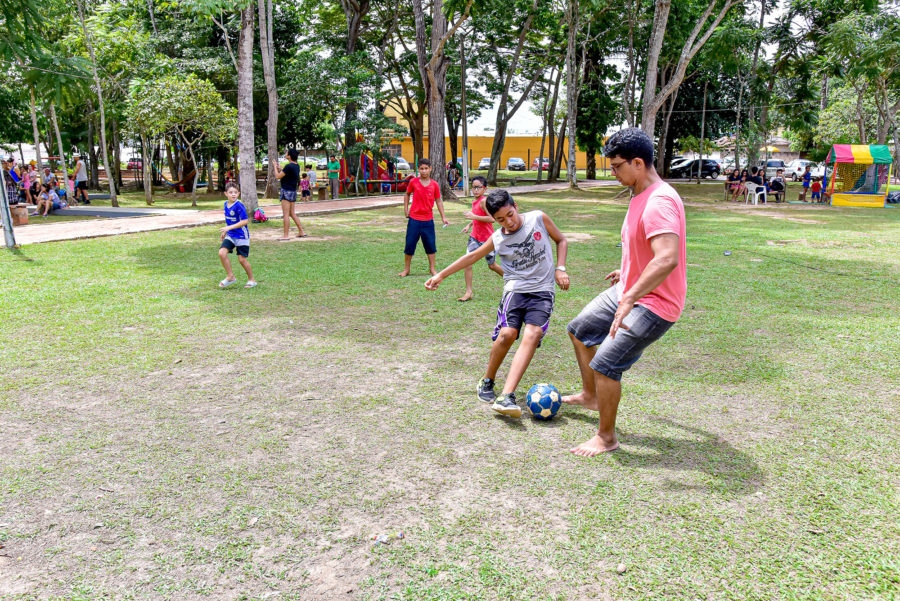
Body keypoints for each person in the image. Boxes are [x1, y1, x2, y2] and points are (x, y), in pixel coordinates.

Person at [564, 127, 686, 457]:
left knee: (606, 363)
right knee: (579, 330)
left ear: (638, 163)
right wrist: (628, 271)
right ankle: (590, 396)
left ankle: (606, 437)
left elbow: (667, 258)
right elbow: (645, 247)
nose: (614, 173)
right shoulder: (638, 193)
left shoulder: (659, 201)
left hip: (655, 303)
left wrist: (630, 297)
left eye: (617, 166)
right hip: (628, 288)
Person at [424, 189, 569, 417]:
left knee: (532, 334)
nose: (508, 222)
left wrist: (560, 268)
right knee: (507, 335)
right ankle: (487, 380)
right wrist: (441, 275)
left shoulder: (538, 219)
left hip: (542, 291)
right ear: (493, 219)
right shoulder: (498, 238)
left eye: (510, 214)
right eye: (501, 219)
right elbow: (472, 256)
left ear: (516, 206)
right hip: (515, 291)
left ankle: (507, 395)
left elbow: (561, 240)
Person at [399, 158, 449, 277]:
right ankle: (406, 269)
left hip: (428, 221)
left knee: (430, 245)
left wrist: (443, 217)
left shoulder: (434, 184)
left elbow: (438, 201)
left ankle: (432, 269)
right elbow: (407, 194)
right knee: (410, 244)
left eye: (426, 168)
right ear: (418, 169)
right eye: (421, 168)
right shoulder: (413, 182)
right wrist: (406, 209)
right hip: (414, 220)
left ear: (430, 169)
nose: (424, 171)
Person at [458, 176, 504, 302]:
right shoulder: (475, 201)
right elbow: (477, 216)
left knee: (492, 266)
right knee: (467, 262)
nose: (476, 190)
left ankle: (512, 282)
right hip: (475, 238)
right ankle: (468, 292)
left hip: (487, 240)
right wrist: (469, 225)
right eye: (474, 187)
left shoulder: (484, 201)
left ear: (485, 189)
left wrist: (474, 217)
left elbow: (492, 219)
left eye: (479, 187)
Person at [218, 182, 257, 289]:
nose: (233, 194)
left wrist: (228, 228)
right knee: (222, 253)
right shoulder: (226, 204)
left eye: (235, 192)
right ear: (226, 193)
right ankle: (230, 276)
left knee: (242, 259)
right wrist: (225, 231)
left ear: (238, 193)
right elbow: (229, 220)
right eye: (231, 192)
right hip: (231, 235)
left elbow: (245, 221)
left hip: (242, 236)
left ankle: (252, 280)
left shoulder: (239, 205)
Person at [272, 148, 306, 239]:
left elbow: (277, 176)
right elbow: (288, 174)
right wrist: (280, 168)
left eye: (287, 153)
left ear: (289, 156)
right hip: (293, 191)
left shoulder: (288, 166)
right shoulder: (296, 165)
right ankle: (301, 231)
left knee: (286, 214)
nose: (285, 153)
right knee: (292, 213)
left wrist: (275, 167)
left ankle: (286, 236)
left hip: (286, 191)